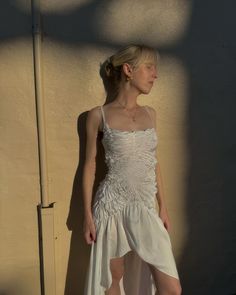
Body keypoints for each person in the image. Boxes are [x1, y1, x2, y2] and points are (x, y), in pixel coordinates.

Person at [82, 44, 182, 295]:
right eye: (150, 67)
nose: (155, 75)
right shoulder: (98, 116)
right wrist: (87, 215)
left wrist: (164, 207)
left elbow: (153, 160)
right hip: (111, 207)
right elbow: (89, 165)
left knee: (172, 288)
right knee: (113, 280)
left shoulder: (151, 114)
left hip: (145, 206)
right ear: (128, 70)